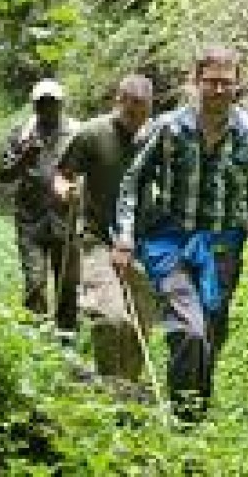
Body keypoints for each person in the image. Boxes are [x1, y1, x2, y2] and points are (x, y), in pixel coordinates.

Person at [111, 45, 248, 421]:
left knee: (210, 336)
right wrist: (124, 236)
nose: (219, 90)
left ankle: (194, 415)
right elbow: (131, 184)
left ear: (237, 85)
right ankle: (184, 423)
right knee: (188, 330)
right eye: (211, 82)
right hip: (169, 244)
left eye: (227, 83)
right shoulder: (168, 128)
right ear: (195, 82)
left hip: (223, 251)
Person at [53, 75, 158, 382]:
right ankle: (110, 386)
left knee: (140, 324)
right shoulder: (93, 134)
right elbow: (62, 174)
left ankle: (127, 388)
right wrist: (66, 190)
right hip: (97, 239)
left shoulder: (157, 137)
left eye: (142, 114)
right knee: (111, 318)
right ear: (118, 102)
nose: (135, 122)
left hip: (143, 243)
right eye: (129, 113)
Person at [0, 79, 80, 340]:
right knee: (35, 281)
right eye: (42, 103)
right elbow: (4, 174)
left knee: (67, 282)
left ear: (61, 104)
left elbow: (91, 171)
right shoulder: (21, 134)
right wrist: (24, 159)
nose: (47, 108)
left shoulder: (77, 133)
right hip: (31, 220)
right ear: (34, 105)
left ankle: (66, 336)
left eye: (52, 102)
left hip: (66, 220)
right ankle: (34, 338)